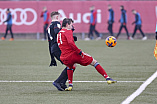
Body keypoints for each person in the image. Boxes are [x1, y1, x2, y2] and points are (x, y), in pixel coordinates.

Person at [57, 18, 117, 91]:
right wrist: (79, 51)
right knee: (94, 62)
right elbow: (70, 43)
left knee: (70, 66)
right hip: (72, 55)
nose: (72, 27)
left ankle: (70, 85)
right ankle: (107, 78)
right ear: (67, 25)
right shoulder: (68, 31)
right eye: (71, 25)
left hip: (64, 57)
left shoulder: (59, 33)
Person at [47, 11, 77, 91]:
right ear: (57, 17)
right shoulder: (57, 24)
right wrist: (71, 36)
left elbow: (49, 42)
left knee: (71, 65)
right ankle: (58, 82)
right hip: (58, 48)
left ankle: (62, 83)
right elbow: (59, 34)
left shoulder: (49, 27)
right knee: (72, 65)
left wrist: (52, 57)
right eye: (59, 17)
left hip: (54, 49)